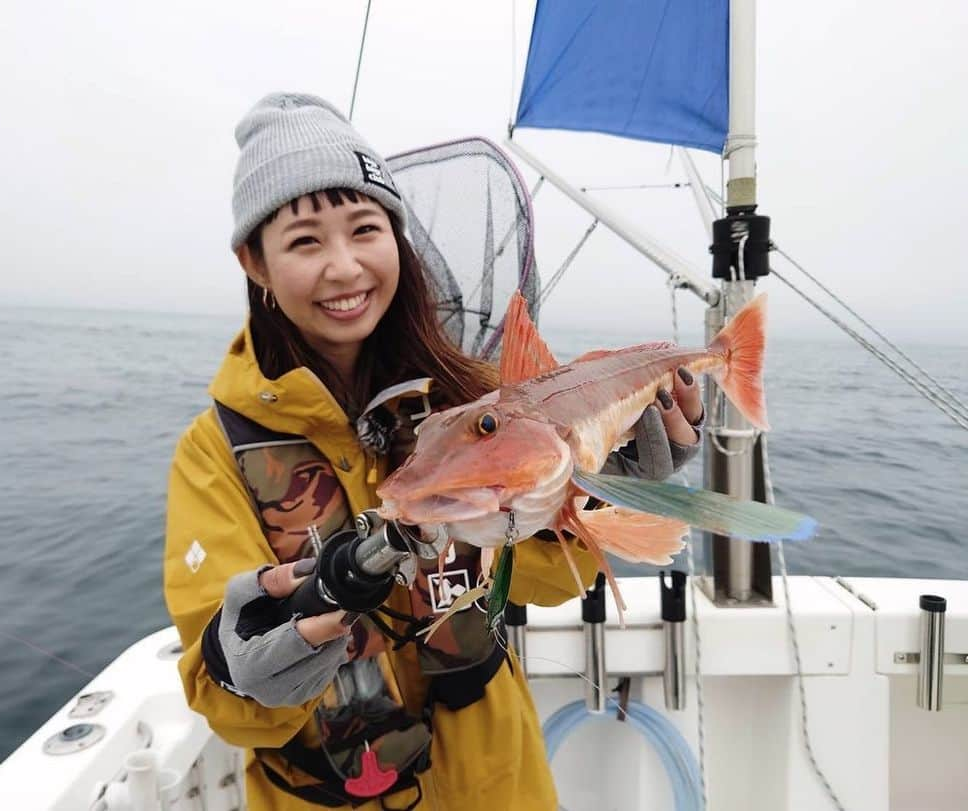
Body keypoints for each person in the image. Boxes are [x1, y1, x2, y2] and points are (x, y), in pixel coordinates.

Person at [163, 92, 704, 811]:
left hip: (501, 783)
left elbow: (542, 578)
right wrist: (251, 662)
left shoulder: (468, 396)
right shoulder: (215, 453)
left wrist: (602, 484)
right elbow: (224, 699)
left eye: (365, 228)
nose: (344, 266)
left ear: (397, 235)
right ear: (253, 262)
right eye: (304, 241)